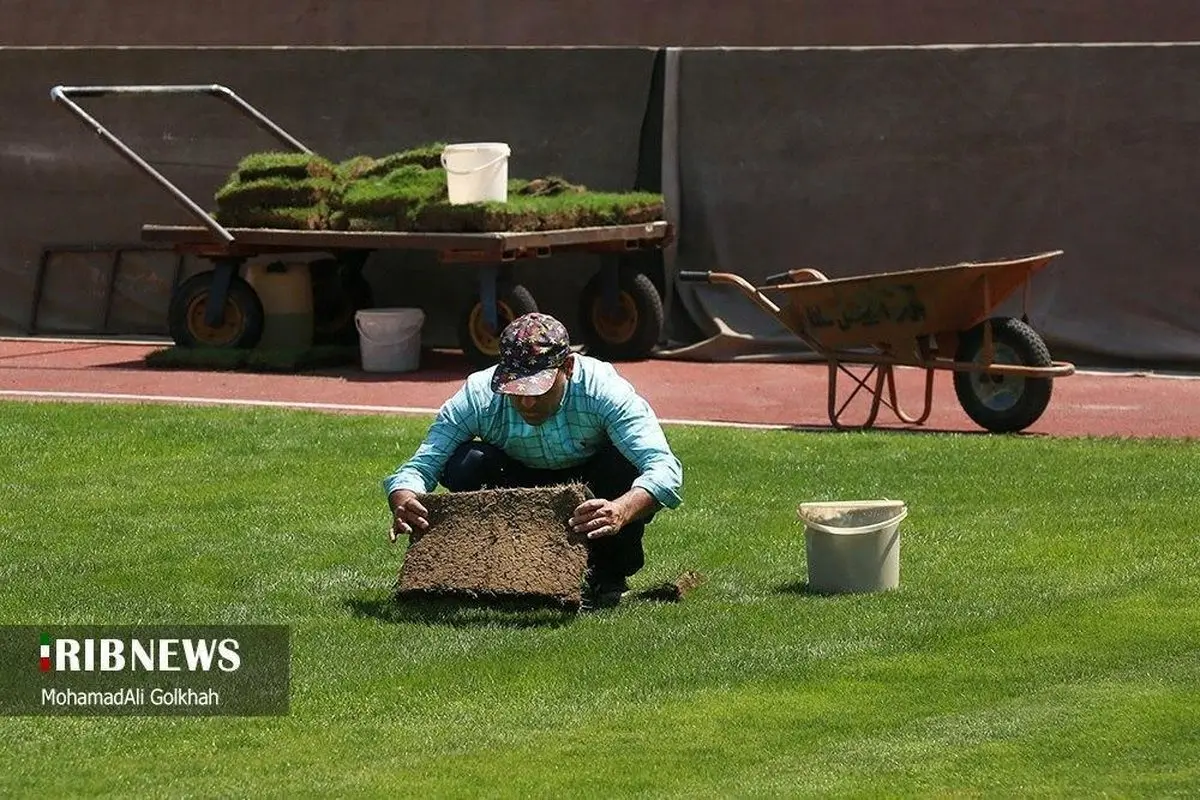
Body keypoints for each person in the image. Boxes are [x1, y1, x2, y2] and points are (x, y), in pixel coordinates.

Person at [383, 312, 683, 607]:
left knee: (624, 467)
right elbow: (419, 467)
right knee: (465, 463)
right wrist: (404, 500)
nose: (526, 402)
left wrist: (620, 510)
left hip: (592, 487)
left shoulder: (604, 391)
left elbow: (663, 467)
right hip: (514, 481)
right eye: (515, 388)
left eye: (538, 388)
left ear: (567, 367)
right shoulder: (478, 395)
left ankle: (608, 575)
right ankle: (491, 570)